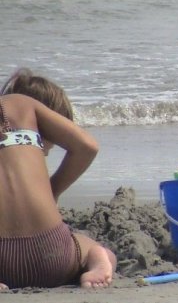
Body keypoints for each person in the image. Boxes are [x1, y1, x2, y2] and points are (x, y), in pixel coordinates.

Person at [0, 68, 117, 290]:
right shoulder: (22, 104)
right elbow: (88, 146)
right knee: (91, 248)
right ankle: (98, 260)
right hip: (53, 256)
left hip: (2, 266)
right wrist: (52, 190)